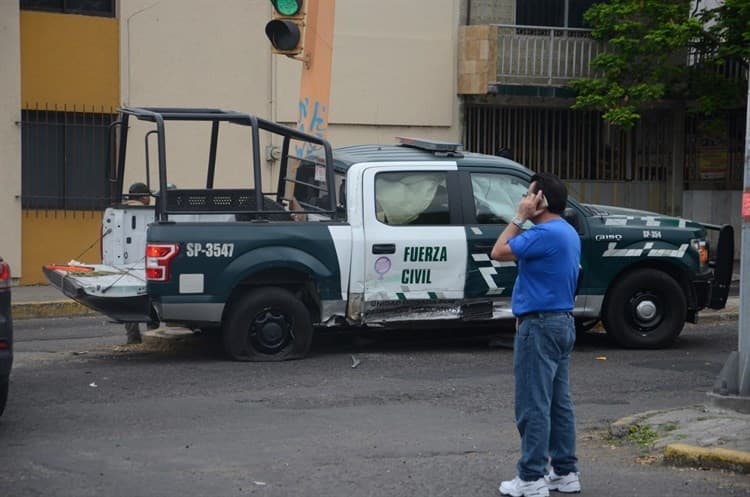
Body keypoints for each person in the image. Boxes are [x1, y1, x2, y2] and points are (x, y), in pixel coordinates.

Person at [491, 173, 581, 497]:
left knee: (533, 404)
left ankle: (531, 477)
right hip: (562, 321)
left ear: (539, 200)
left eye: (528, 195)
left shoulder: (542, 234)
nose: (524, 199)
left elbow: (498, 250)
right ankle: (565, 471)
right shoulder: (567, 232)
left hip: (539, 324)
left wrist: (519, 217)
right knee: (559, 402)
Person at [124, 182, 154, 344]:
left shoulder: (116, 212)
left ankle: (133, 338)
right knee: (150, 298)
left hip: (122, 267)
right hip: (146, 265)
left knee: (128, 301)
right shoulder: (149, 213)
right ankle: (154, 334)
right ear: (144, 197)